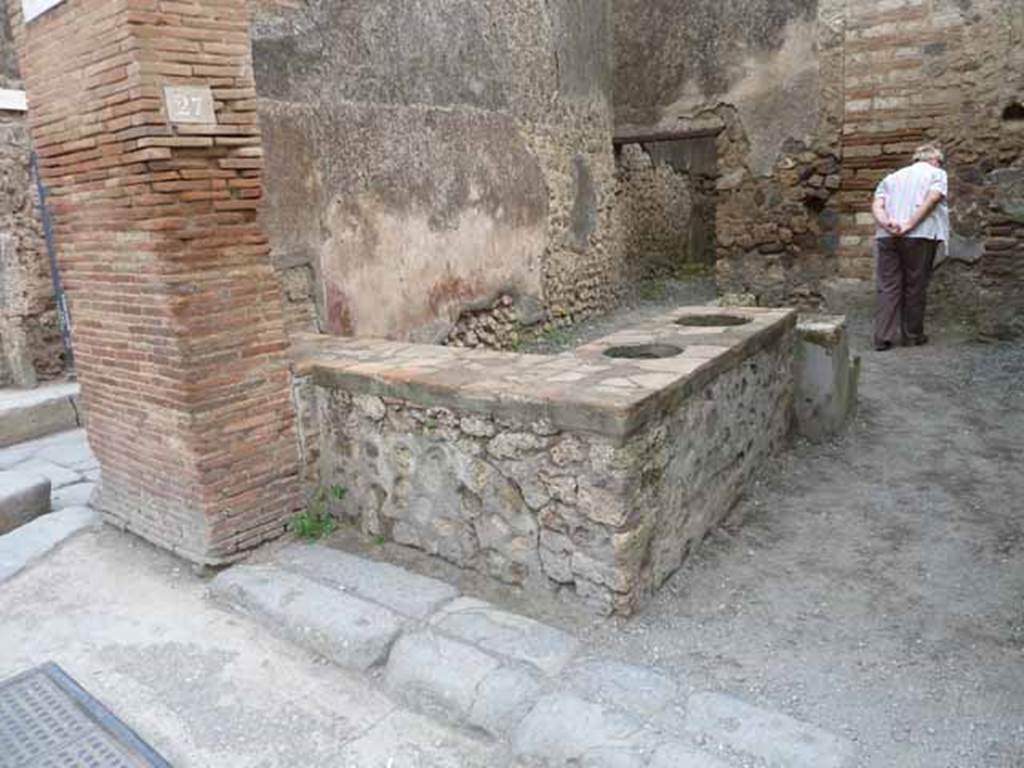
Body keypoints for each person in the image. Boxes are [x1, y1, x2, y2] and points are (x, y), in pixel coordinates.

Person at [870, 144, 949, 351]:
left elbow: (877, 205)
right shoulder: (937, 173)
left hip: (887, 236)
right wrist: (909, 224)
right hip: (920, 235)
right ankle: (912, 335)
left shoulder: (891, 177)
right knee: (916, 284)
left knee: (888, 285)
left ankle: (882, 337)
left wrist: (887, 223)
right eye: (938, 161)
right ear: (934, 160)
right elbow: (932, 199)